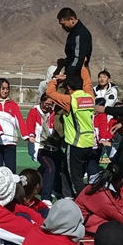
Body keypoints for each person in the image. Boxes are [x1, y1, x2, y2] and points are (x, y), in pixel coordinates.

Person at [46, 65, 95, 196]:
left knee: (75, 178)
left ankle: (82, 201)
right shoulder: (90, 97)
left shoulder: (70, 100)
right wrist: (82, 66)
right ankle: (67, 194)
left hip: (75, 143)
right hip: (89, 142)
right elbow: (88, 82)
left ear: (68, 88)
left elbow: (50, 93)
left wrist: (54, 80)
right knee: (68, 168)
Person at [0, 78, 27, 172]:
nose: (5, 91)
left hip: (10, 142)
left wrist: (27, 135)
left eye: (7, 88)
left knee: (11, 171)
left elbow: (20, 121)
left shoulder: (13, 105)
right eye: (3, 88)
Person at [57, 7, 92, 79]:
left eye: (63, 24)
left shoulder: (79, 34)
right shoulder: (74, 33)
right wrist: (65, 62)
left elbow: (78, 58)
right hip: (74, 72)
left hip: (77, 74)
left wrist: (68, 75)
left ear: (71, 19)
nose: (62, 27)